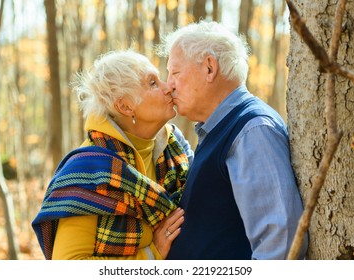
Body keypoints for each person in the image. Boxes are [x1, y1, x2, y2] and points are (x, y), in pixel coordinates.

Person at [157, 20, 308, 260]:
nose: (168, 85)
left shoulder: (251, 130)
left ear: (209, 68)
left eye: (175, 72)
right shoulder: (220, 129)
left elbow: (281, 241)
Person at [32, 50, 193, 260]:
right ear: (125, 106)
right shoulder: (88, 172)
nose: (168, 87)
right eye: (152, 83)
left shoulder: (174, 147)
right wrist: (151, 255)